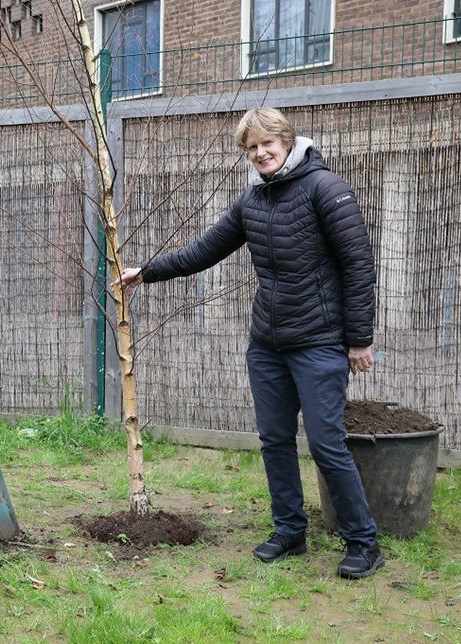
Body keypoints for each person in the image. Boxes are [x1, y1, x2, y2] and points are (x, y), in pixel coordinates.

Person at [115, 108, 385, 579]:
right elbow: (206, 248)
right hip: (267, 344)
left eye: (268, 144)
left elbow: (359, 265)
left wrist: (359, 339)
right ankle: (289, 530)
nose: (260, 153)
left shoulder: (327, 189)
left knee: (326, 443)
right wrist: (148, 270)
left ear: (287, 141)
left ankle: (363, 540)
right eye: (252, 147)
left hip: (320, 340)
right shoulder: (253, 200)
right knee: (275, 439)